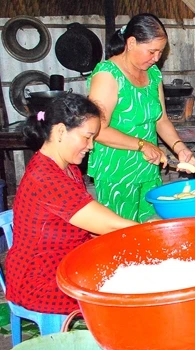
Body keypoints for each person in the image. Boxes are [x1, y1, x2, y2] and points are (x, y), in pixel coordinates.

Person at [5, 94, 138, 314]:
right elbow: (110, 226)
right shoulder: (46, 178)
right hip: (39, 281)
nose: (91, 146)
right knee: (122, 294)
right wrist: (151, 232)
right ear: (59, 132)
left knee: (130, 266)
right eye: (87, 137)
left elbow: (92, 225)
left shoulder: (68, 169)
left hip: (66, 262)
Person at [88, 13, 195, 222]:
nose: (156, 58)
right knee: (122, 234)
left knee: (151, 228)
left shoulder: (153, 74)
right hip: (116, 171)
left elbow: (161, 120)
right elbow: (97, 129)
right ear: (131, 43)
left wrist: (179, 147)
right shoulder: (108, 74)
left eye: (160, 52)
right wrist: (141, 145)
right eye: (152, 51)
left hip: (148, 166)